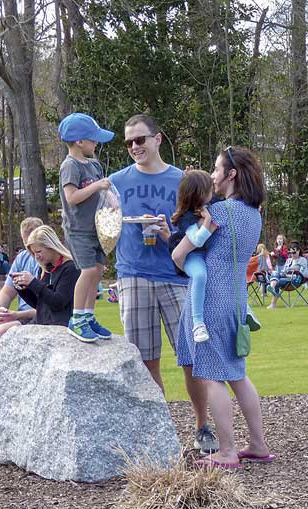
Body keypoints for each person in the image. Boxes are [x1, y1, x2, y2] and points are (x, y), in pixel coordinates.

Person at [109, 114, 216, 455]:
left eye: (140, 139)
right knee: (146, 360)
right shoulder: (115, 182)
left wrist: (172, 234)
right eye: (128, 143)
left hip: (175, 277)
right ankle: (161, 428)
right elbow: (101, 222)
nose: (134, 147)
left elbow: (203, 226)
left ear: (158, 139)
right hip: (133, 275)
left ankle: (202, 426)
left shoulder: (182, 181)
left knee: (191, 357)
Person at [176, 145, 272, 469]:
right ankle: (258, 445)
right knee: (239, 376)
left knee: (212, 378)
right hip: (236, 302)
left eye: (216, 170)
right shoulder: (254, 215)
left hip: (209, 302)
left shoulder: (217, 214)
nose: (213, 175)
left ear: (231, 174)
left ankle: (228, 452)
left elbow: (179, 255)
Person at [0, 223, 77, 420]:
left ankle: (3, 399)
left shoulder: (70, 269)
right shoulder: (47, 268)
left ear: (51, 246)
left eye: (39, 252)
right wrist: (24, 288)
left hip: (54, 327)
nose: (36, 257)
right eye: (33, 253)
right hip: (40, 322)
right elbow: (42, 304)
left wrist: (34, 283)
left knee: (3, 332)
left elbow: (59, 304)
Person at [58, 112, 115, 342]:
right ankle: (77, 318)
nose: (96, 143)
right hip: (78, 229)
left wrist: (110, 199)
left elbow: (104, 193)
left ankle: (89, 316)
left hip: (97, 228)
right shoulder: (70, 165)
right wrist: (97, 187)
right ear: (79, 141)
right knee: (88, 271)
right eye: (93, 139)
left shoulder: (94, 165)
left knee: (98, 272)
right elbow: (71, 197)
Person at [169, 170, 219, 343]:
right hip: (193, 256)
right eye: (209, 190)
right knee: (199, 275)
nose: (212, 193)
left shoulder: (212, 203)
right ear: (199, 194)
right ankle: (198, 323)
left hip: (207, 253)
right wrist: (207, 221)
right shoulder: (186, 217)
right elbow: (197, 240)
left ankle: (246, 309)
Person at [266, 241, 308, 309]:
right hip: (286, 278)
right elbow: (283, 271)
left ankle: (272, 294)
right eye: (290, 253)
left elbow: (303, 274)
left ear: (298, 251)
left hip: (295, 280)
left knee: (276, 279)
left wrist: (289, 275)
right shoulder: (289, 260)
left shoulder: (303, 260)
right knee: (275, 273)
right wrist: (282, 274)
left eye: (294, 252)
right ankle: (272, 288)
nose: (292, 254)